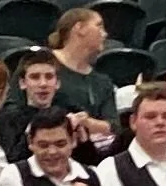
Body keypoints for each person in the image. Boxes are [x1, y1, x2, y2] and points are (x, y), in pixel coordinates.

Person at [0, 47, 87, 162]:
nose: (43, 84)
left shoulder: (67, 114)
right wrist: (30, 133)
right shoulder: (9, 118)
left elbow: (89, 162)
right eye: (35, 77)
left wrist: (83, 140)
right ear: (23, 83)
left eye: (49, 77)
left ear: (57, 83)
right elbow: (11, 160)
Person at [50, 6, 118, 149]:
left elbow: (113, 125)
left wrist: (88, 123)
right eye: (99, 26)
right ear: (80, 28)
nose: (104, 34)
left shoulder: (102, 81)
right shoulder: (42, 64)